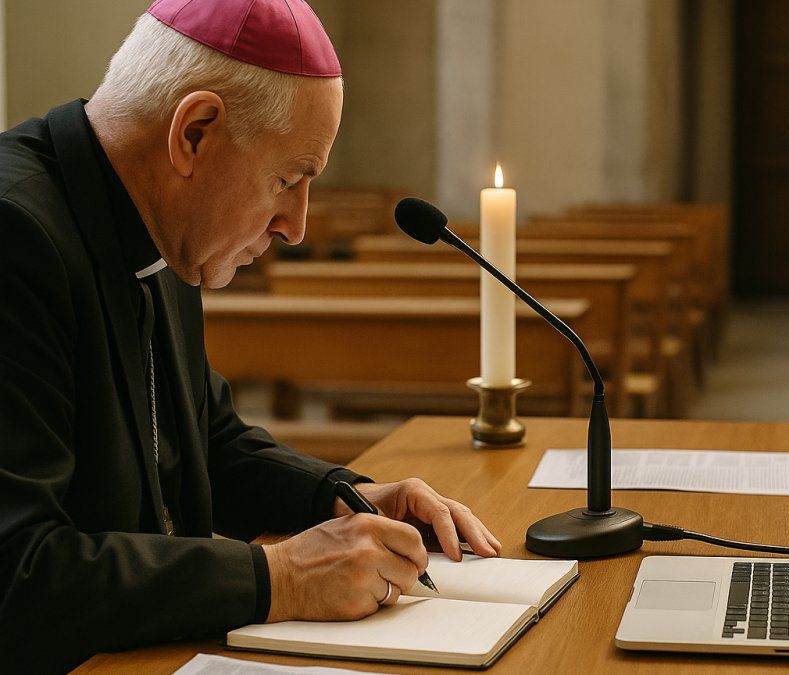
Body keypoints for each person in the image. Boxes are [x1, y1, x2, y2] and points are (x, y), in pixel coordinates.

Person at [0, 2, 501, 671]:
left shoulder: (161, 221)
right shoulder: (15, 237)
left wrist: (342, 495)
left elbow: (206, 441)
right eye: (287, 179)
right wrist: (280, 578)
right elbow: (16, 572)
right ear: (195, 133)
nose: (296, 225)